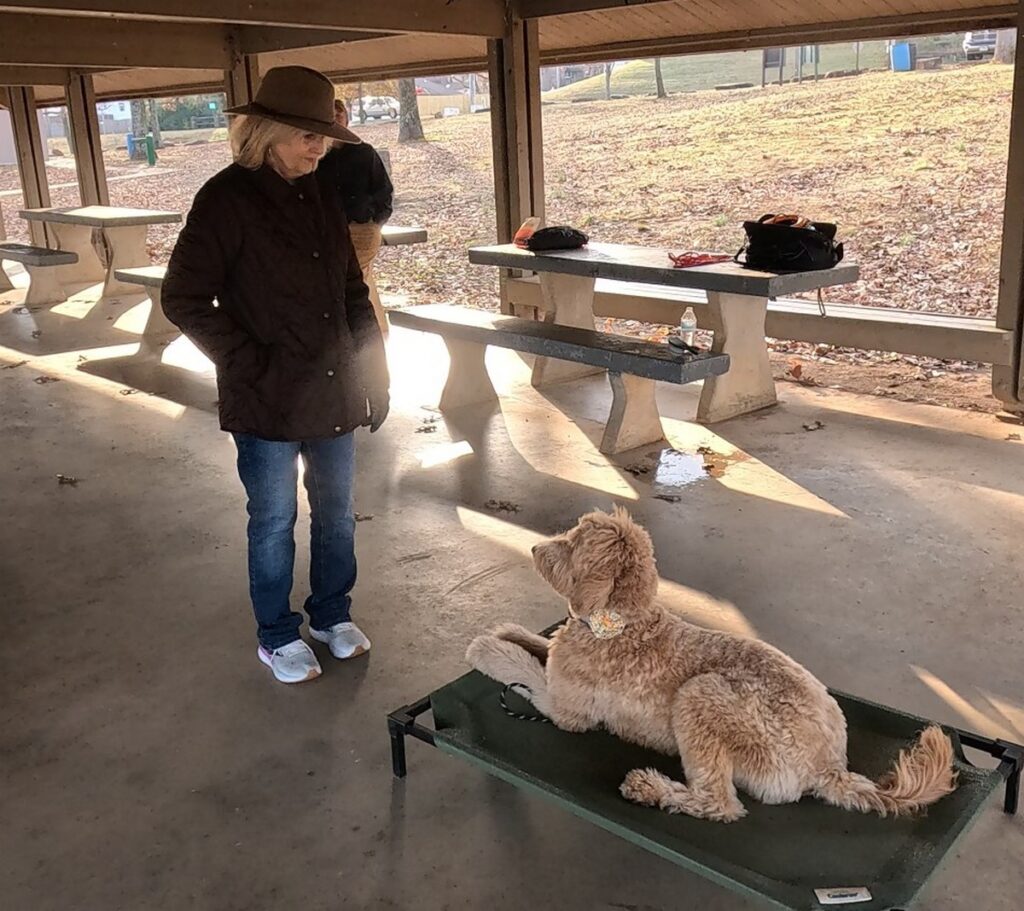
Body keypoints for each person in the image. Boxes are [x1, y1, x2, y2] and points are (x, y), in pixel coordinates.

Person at [161, 66, 390, 685]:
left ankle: (331, 614)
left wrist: (375, 370)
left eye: (323, 134)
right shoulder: (225, 198)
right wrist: (248, 363)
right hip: (265, 396)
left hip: (334, 384)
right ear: (265, 131)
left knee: (337, 511)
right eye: (304, 134)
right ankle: (276, 633)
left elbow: (350, 288)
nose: (319, 146)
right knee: (273, 519)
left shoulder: (323, 192)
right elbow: (182, 297)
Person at [318, 99, 394, 334]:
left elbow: (383, 190)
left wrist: (373, 217)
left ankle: (359, 332)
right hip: (327, 229)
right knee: (356, 279)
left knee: (350, 277)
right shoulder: (318, 156)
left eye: (340, 115)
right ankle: (374, 329)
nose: (336, 120)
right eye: (331, 117)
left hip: (361, 227)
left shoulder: (364, 152)